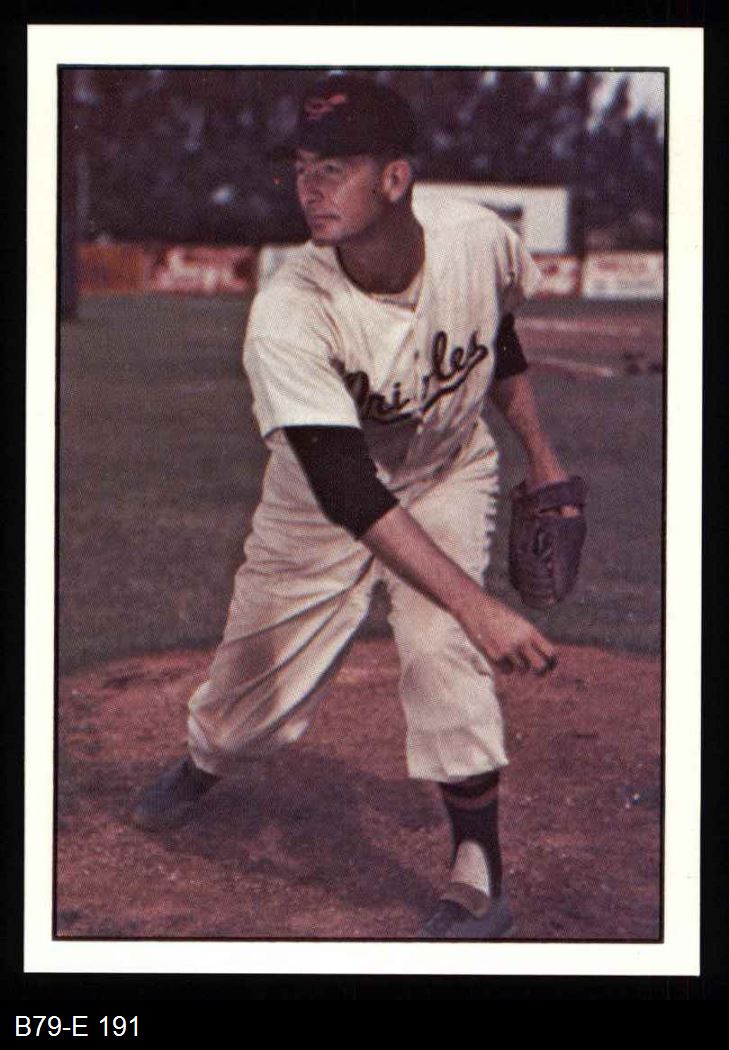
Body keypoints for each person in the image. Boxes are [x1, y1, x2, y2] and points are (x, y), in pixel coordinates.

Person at [132, 73, 576, 939]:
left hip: (445, 469)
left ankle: (477, 869)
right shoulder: (288, 312)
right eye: (301, 168)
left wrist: (543, 459)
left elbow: (497, 339)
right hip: (320, 500)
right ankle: (207, 758)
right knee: (252, 687)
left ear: (395, 178)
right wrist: (480, 604)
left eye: (332, 168)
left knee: (439, 646)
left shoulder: (476, 239)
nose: (308, 187)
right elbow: (346, 488)